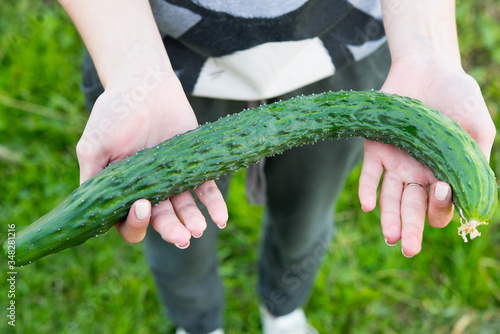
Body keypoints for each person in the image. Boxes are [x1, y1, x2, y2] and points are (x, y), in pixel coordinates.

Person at [59, 0, 495, 333]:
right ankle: (197, 322)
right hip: (159, 61)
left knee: (305, 214)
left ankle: (283, 308)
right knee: (172, 228)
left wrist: (428, 52)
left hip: (344, 48)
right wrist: (132, 70)